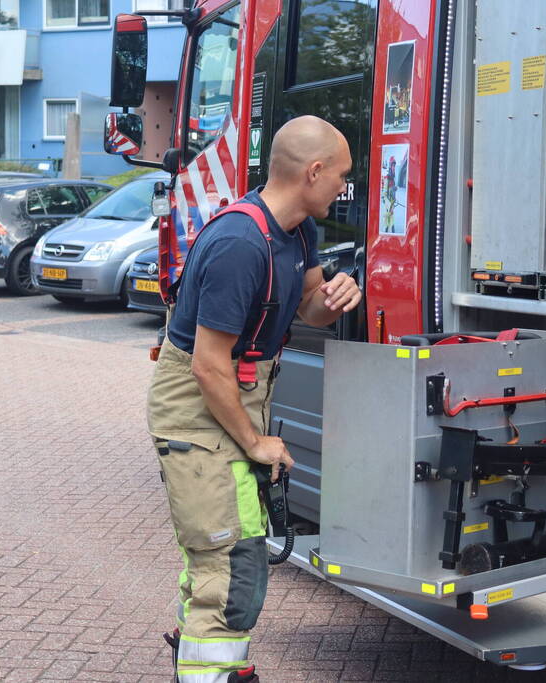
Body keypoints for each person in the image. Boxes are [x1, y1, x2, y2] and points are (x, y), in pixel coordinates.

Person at [147, 115, 361, 683]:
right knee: (233, 565)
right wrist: (255, 441)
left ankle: (197, 663)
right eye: (341, 175)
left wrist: (335, 299)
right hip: (199, 413)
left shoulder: (298, 231)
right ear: (313, 172)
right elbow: (207, 365)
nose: (345, 187)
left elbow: (309, 307)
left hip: (232, 402)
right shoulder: (239, 245)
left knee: (221, 557)